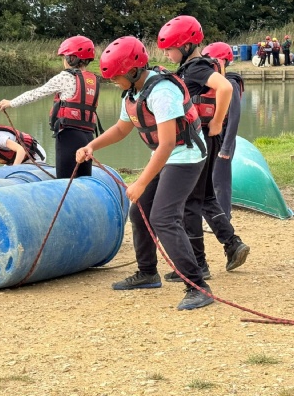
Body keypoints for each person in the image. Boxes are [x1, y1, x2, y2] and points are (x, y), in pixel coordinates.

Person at [76, 36, 214, 311]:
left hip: (185, 157)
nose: (114, 81)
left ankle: (198, 286)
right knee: (139, 213)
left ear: (132, 71)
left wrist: (140, 182)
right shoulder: (132, 92)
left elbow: (167, 144)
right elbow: (121, 129)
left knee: (164, 217)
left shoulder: (162, 92)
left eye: (116, 77)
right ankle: (148, 273)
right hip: (165, 156)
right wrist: (91, 145)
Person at [158, 16, 250, 282]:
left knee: (190, 202)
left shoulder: (196, 67)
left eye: (170, 48)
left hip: (202, 139)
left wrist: (218, 122)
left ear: (186, 46)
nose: (166, 53)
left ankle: (198, 264)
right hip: (206, 139)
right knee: (206, 196)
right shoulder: (194, 67)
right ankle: (232, 243)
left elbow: (225, 88)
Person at [0, 35, 100, 179]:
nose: (63, 60)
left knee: (64, 180)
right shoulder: (93, 80)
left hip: (69, 135)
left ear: (71, 58)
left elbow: (37, 93)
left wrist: (11, 103)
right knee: (84, 179)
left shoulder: (65, 77)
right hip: (88, 136)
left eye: (64, 57)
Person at [201, 42, 244, 220]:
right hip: (214, 138)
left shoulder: (231, 83)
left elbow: (234, 117)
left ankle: (224, 218)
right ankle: (214, 217)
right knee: (210, 180)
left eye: (213, 60)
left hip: (224, 139)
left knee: (221, 182)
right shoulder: (215, 82)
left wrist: (225, 148)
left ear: (223, 61)